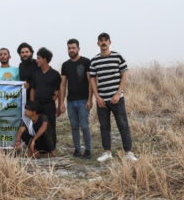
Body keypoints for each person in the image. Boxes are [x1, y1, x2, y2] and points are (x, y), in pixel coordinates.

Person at [89, 32, 137, 162]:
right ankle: (107, 152)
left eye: (106, 40)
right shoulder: (94, 60)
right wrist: (97, 97)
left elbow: (124, 76)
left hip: (117, 99)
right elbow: (92, 80)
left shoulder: (118, 57)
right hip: (102, 100)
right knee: (104, 126)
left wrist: (118, 94)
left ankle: (128, 152)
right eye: (101, 40)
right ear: (98, 43)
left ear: (110, 42)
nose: (103, 43)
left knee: (123, 124)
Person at [59, 38, 92, 159]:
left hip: (83, 100)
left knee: (84, 125)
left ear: (78, 48)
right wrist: (61, 103)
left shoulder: (86, 62)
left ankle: (88, 150)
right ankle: (77, 149)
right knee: (74, 126)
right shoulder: (65, 65)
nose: (71, 50)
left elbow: (91, 82)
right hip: (71, 101)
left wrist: (90, 99)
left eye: (73, 48)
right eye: (69, 48)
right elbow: (63, 84)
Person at [29, 47, 61, 150]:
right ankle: (39, 149)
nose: (36, 60)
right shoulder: (35, 74)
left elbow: (58, 91)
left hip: (49, 105)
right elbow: (32, 90)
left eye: (38, 58)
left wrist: (59, 106)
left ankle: (51, 150)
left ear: (45, 59)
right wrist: (31, 106)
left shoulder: (55, 74)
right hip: (37, 105)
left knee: (50, 126)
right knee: (37, 126)